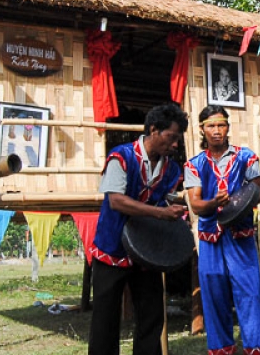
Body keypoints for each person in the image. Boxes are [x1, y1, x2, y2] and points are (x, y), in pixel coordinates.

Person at [88, 103, 189, 355]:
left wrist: (177, 213)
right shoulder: (121, 157)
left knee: (151, 317)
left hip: (146, 252)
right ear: (154, 130)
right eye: (172, 137)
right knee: (105, 320)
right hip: (112, 248)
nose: (175, 145)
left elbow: (165, 198)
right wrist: (161, 213)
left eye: (178, 139)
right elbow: (116, 200)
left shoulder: (171, 168)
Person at [184, 105, 260, 354]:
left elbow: (258, 191)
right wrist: (214, 203)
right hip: (210, 238)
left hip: (240, 235)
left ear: (228, 127)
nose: (216, 131)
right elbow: (197, 204)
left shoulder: (247, 157)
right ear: (202, 129)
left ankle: (257, 349)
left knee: (250, 293)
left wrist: (239, 203)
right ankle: (222, 349)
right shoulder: (194, 164)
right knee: (213, 295)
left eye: (221, 125)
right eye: (210, 126)